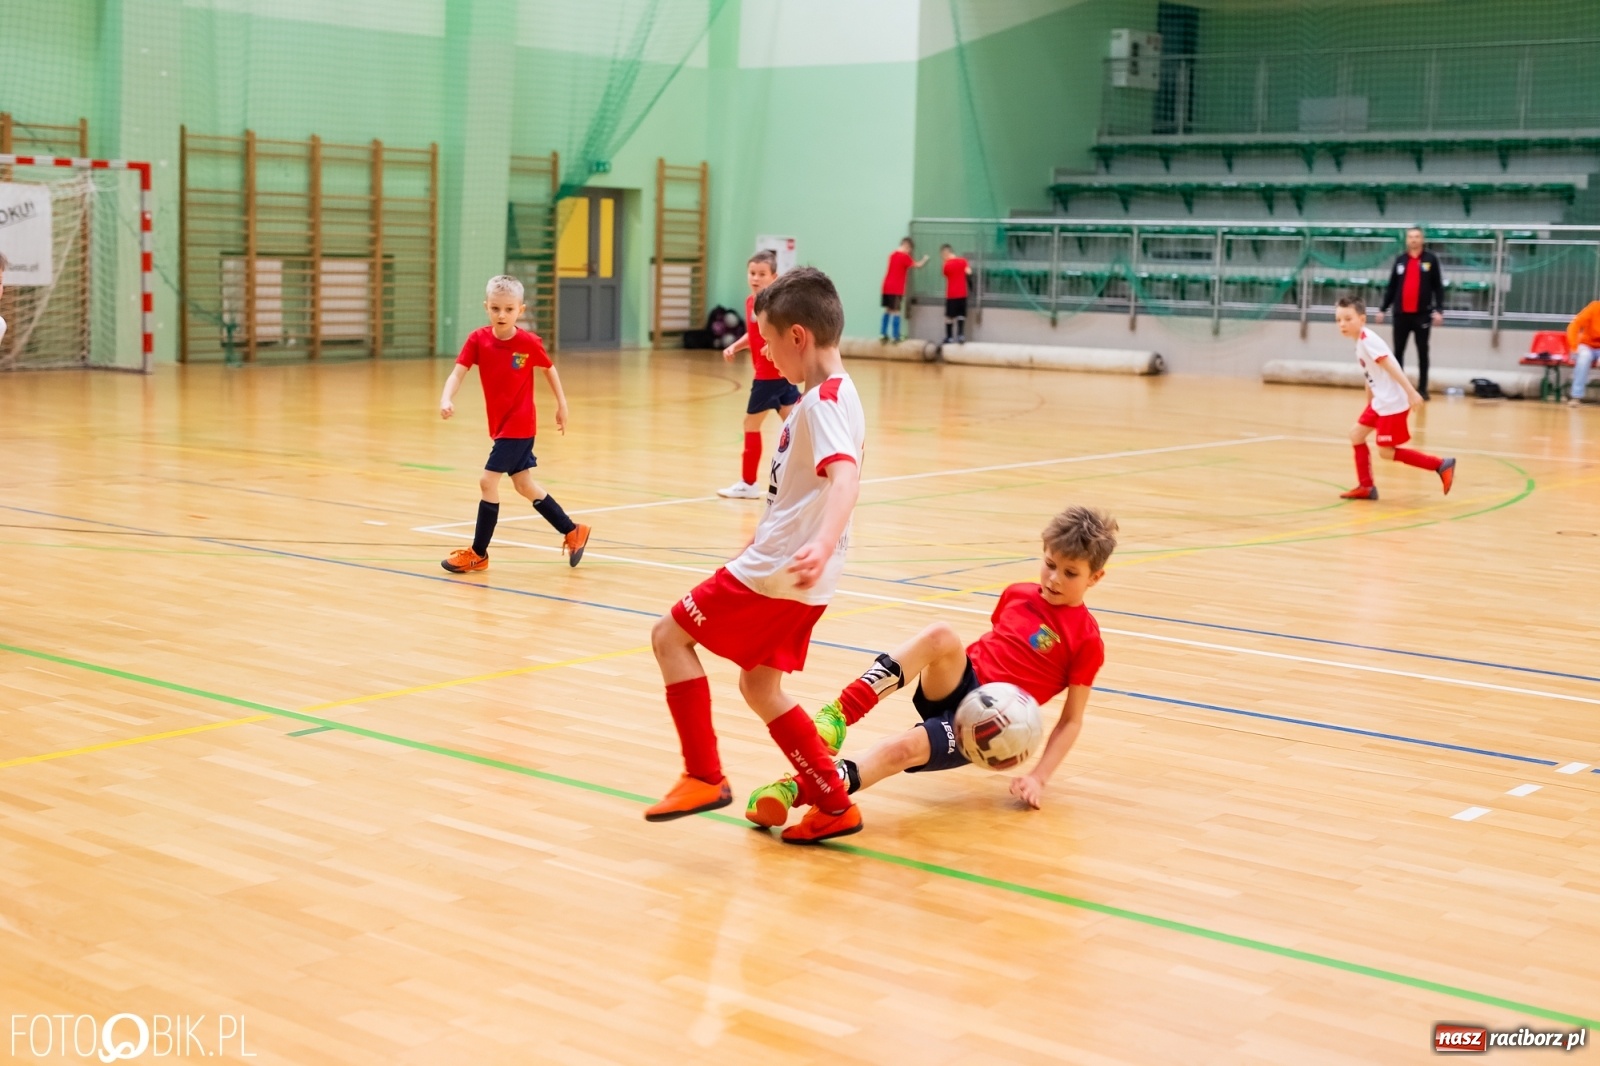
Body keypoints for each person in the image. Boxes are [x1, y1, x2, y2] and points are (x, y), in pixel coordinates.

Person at [645, 266, 868, 845]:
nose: (763, 352)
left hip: (780, 570)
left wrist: (819, 541)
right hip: (800, 572)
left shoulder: (821, 403)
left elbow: (845, 478)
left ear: (798, 336)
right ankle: (833, 804)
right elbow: (803, 492)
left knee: (669, 638)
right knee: (760, 687)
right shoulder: (839, 394)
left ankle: (703, 775)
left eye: (768, 340)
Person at [744, 505, 1116, 827]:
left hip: (986, 727)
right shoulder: (1017, 594)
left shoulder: (1085, 640)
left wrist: (1038, 777)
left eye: (1070, 573)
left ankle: (793, 789)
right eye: (1050, 565)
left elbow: (1071, 720)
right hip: (962, 684)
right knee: (941, 635)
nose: (1054, 578)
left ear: (1095, 577)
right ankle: (837, 716)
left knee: (900, 749)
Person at [437, 275, 591, 573]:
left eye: (509, 309)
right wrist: (446, 397)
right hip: (500, 427)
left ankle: (478, 553)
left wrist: (562, 404)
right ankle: (573, 530)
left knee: (487, 482)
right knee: (524, 484)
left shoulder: (528, 342)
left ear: (520, 309)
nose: (502, 314)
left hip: (519, 426)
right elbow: (458, 372)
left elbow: (549, 369)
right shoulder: (478, 339)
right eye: (495, 308)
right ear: (486, 307)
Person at [1335, 296, 1456, 501]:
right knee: (1356, 435)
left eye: (1348, 319)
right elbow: (1371, 376)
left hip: (1392, 403)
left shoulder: (1368, 340)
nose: (1342, 324)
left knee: (1386, 452)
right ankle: (1366, 487)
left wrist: (1411, 392)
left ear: (1362, 319)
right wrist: (1370, 404)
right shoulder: (1360, 342)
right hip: (1380, 402)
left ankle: (1440, 465)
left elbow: (1391, 366)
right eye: (1338, 320)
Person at [717, 250, 800, 499]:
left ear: (774, 276)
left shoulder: (777, 305)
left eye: (762, 274)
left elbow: (787, 333)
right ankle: (806, 478)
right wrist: (736, 346)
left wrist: (774, 347)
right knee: (796, 427)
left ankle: (749, 483)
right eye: (752, 273)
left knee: (750, 425)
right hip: (780, 377)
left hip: (769, 376)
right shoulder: (750, 302)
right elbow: (754, 334)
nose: (755, 278)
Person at [1375, 227, 1445, 400]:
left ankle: (1422, 389)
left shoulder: (1430, 259)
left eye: (1417, 236)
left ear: (1422, 239)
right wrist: (1383, 309)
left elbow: (1438, 286)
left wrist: (1439, 310)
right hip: (1401, 315)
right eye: (1411, 237)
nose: (1413, 239)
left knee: (1422, 352)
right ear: (1407, 240)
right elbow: (1392, 287)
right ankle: (1398, 388)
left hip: (1422, 314)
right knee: (1397, 352)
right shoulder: (1400, 260)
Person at [879, 237, 927, 343]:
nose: (909, 252)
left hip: (886, 286)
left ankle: (883, 333)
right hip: (896, 288)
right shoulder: (904, 257)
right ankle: (896, 336)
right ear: (906, 246)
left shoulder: (892, 255)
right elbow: (918, 265)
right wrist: (925, 259)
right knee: (896, 311)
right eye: (909, 249)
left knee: (888, 309)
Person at [1565, 298, 1600, 408]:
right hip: (1587, 345)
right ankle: (1576, 396)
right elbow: (1574, 325)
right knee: (1583, 358)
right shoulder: (1594, 307)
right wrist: (1574, 346)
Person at [940, 244, 971, 344]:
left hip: (951, 294)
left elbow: (945, 274)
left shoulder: (946, 265)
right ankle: (960, 335)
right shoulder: (963, 261)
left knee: (949, 316)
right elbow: (969, 272)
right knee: (961, 315)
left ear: (945, 254)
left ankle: (949, 337)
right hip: (962, 293)